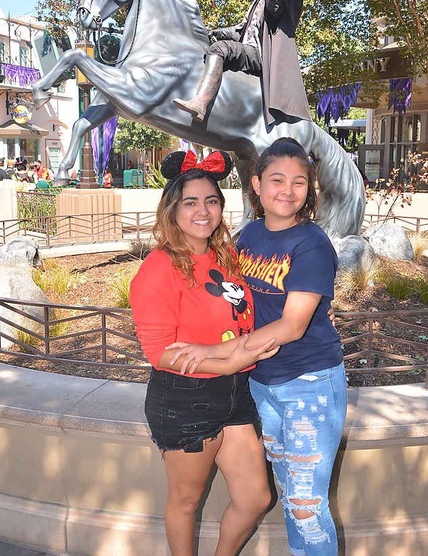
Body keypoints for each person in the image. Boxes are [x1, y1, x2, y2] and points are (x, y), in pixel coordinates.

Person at [168, 138, 347, 556]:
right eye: (277, 179)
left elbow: (292, 326)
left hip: (308, 383)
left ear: (309, 188)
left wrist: (216, 353)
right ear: (257, 184)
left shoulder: (311, 243)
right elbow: (222, 293)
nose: (287, 190)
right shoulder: (248, 236)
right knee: (290, 493)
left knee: (306, 505)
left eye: (298, 182)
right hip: (260, 384)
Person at [129, 150, 278, 556]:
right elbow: (158, 352)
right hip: (185, 398)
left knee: (255, 498)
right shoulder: (158, 268)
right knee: (186, 501)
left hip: (235, 395)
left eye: (211, 200)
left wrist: (315, 313)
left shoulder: (226, 256)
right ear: (172, 209)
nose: (203, 211)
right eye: (190, 202)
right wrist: (230, 361)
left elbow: (252, 310)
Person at [173, 0, 311, 125]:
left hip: (265, 57)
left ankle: (200, 103)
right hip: (249, 50)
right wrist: (217, 33)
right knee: (214, 46)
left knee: (220, 48)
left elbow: (274, 8)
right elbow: (242, 30)